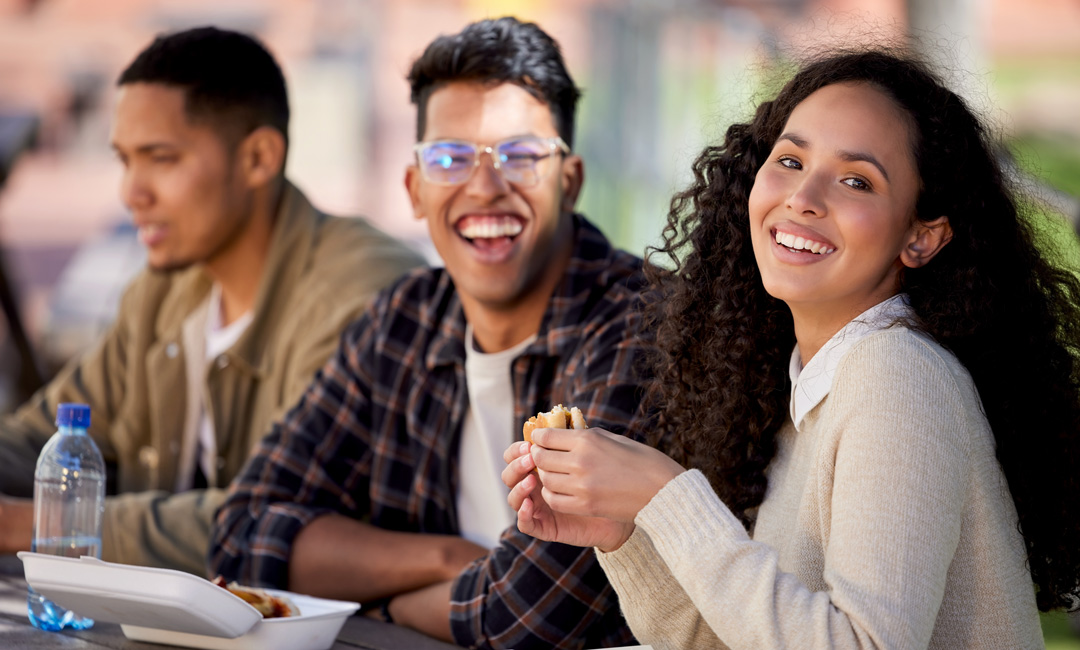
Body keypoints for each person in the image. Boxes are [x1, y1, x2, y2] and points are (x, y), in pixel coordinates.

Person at [504, 48, 1080, 648]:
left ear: (921, 236)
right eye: (790, 159)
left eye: (856, 179)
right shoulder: (806, 378)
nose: (804, 196)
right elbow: (731, 638)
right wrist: (621, 532)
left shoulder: (899, 378)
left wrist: (665, 495)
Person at [209, 16, 644, 650]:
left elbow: (530, 619)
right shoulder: (403, 322)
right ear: (415, 189)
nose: (485, 187)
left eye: (521, 156)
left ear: (570, 181)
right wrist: (447, 558)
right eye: (449, 158)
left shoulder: (641, 326)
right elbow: (243, 533)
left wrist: (383, 608)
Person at [0, 26, 423, 576]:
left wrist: (23, 523)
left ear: (258, 158)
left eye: (161, 159)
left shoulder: (362, 294)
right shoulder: (165, 290)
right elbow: (45, 438)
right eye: (125, 160)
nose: (132, 192)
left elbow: (279, 517)